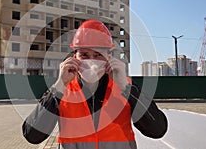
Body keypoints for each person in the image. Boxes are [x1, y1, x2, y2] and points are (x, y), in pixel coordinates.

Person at [22, 20, 168, 149]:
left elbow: (157, 130)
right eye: (84, 55)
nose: (91, 61)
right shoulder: (62, 90)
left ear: (109, 57)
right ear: (74, 57)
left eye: (98, 54)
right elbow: (32, 136)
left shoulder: (125, 86)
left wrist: (126, 88)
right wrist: (59, 85)